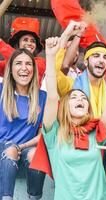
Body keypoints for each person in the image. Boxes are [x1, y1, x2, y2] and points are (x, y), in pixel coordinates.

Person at [31, 34, 106, 199]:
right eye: (74, 97)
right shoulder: (54, 133)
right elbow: (51, 96)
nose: (80, 99)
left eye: (84, 98)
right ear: (65, 106)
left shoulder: (96, 132)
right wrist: (50, 57)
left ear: (88, 108)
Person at [55, 21, 106, 135]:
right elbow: (56, 71)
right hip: (73, 144)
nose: (101, 60)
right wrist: (67, 34)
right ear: (85, 61)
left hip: (102, 147)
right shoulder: (71, 86)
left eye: (105, 57)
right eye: (96, 56)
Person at [0, 48, 46, 199]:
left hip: (25, 149)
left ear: (34, 69)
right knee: (10, 149)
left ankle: (34, 197)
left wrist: (21, 146)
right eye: (18, 63)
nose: (24, 68)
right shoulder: (1, 91)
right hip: (2, 148)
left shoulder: (42, 97)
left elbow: (43, 135)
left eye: (28, 64)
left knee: (35, 153)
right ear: (11, 69)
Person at [0, 17, 45, 86]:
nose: (29, 43)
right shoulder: (7, 63)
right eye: (25, 40)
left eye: (33, 41)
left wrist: (1, 44)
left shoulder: (40, 62)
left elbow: (20, 58)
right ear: (17, 44)